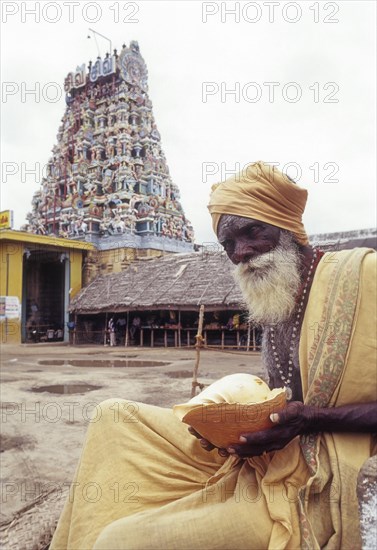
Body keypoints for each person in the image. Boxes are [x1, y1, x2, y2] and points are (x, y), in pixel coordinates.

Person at [50, 161, 376, 549]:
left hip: (322, 469)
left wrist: (309, 419)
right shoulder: (275, 295)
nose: (242, 252)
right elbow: (280, 398)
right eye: (228, 245)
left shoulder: (363, 276)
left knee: (119, 541)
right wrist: (223, 424)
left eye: (253, 231)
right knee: (113, 417)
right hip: (272, 451)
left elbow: (301, 413)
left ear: (287, 226)